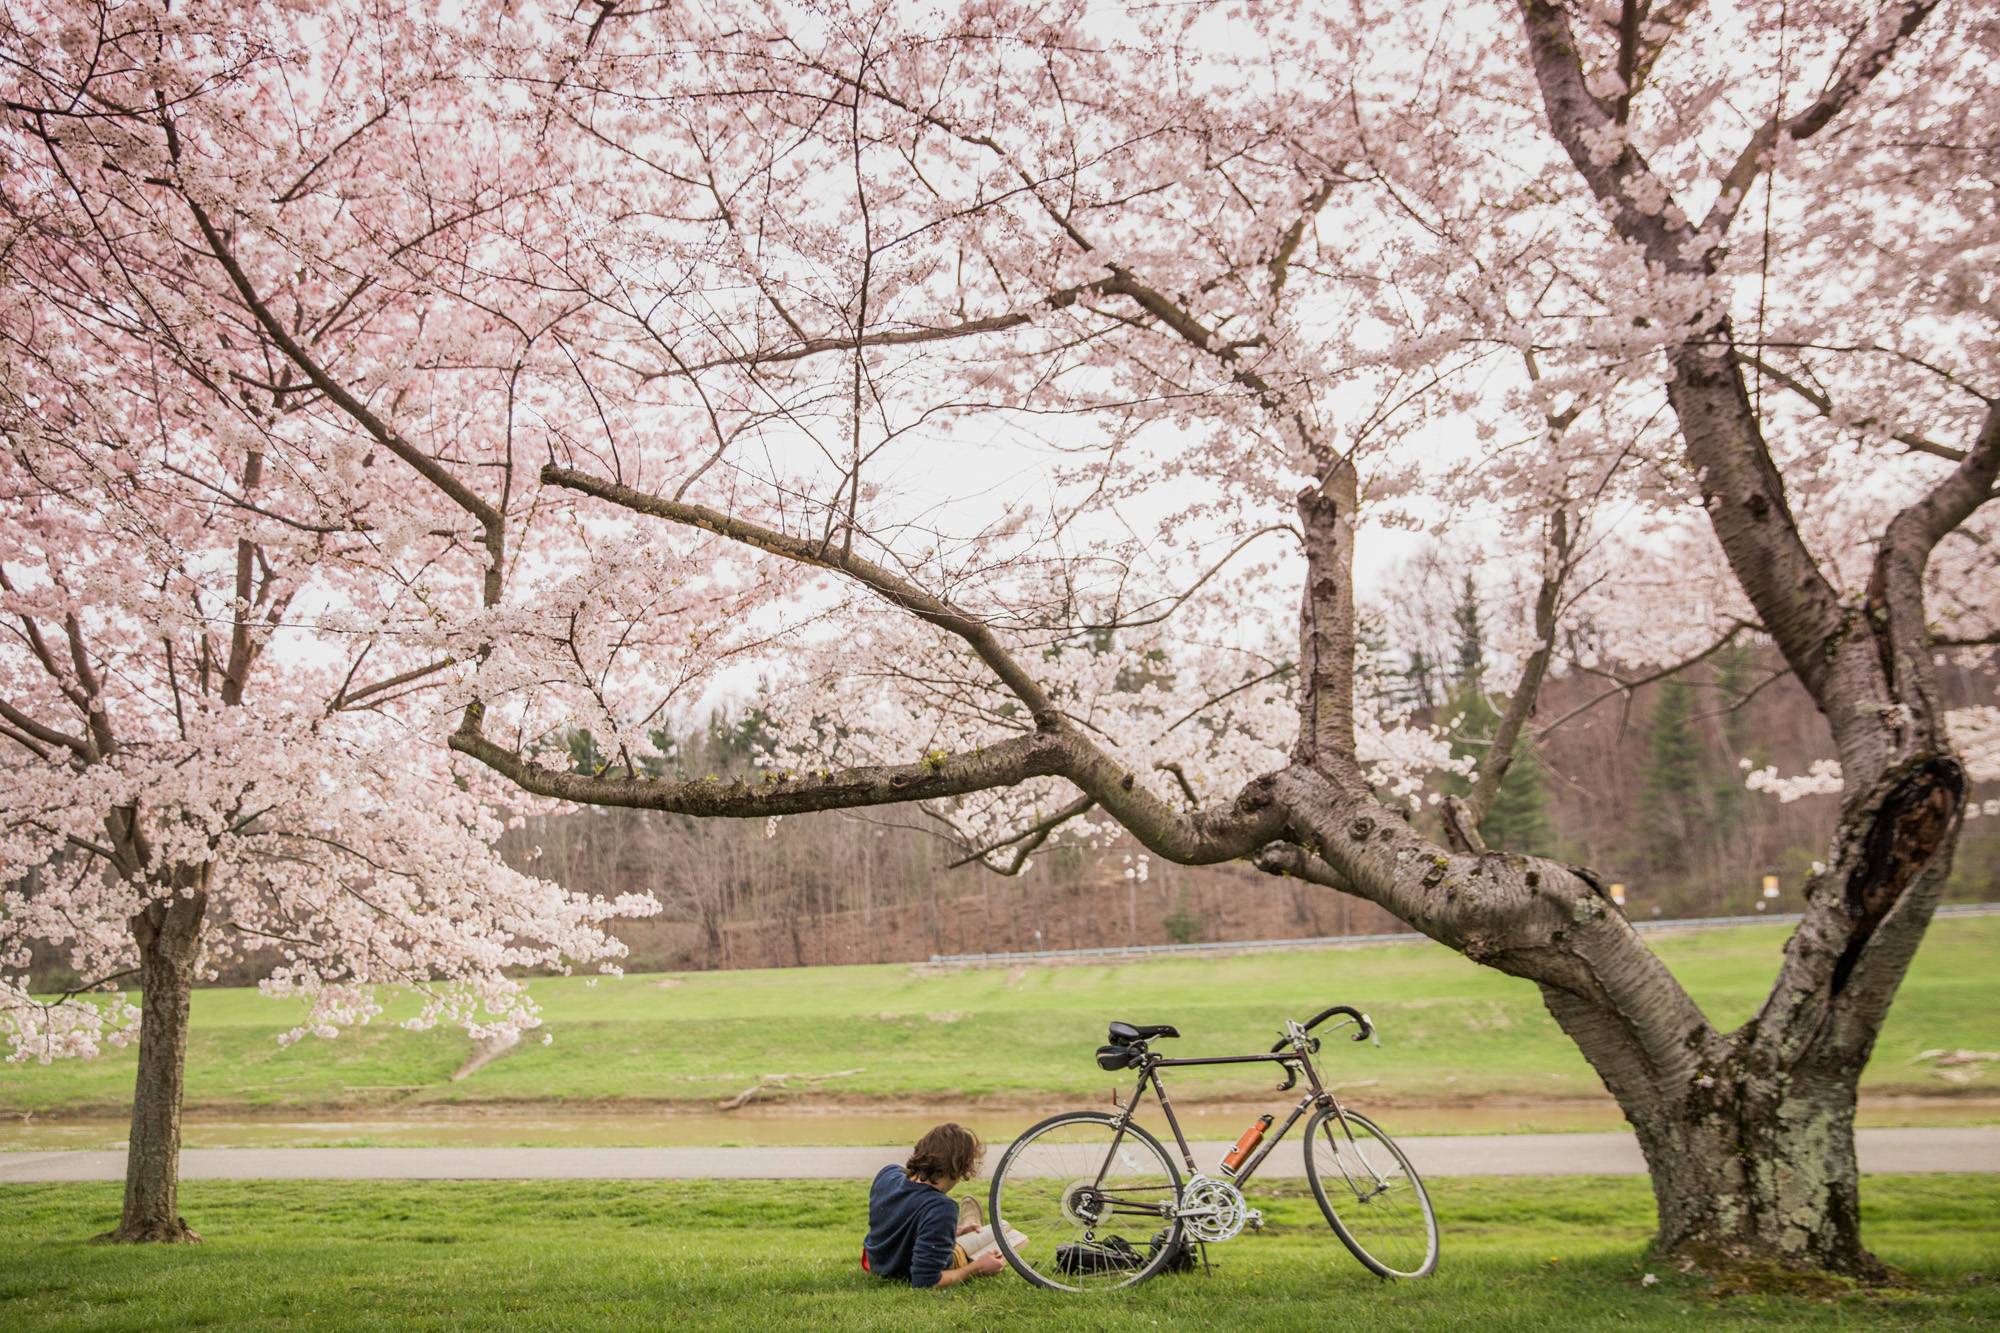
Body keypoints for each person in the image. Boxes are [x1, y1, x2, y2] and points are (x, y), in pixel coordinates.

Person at [861, 1122, 1007, 1288]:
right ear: (961, 1167)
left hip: (876, 1263)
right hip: (902, 1270)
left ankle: (949, 1232)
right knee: (999, 1245)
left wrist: (956, 1231)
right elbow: (926, 1282)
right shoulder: (942, 1208)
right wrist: (977, 1268)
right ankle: (959, 1242)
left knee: (952, 1230)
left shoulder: (887, 1174)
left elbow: (899, 1218)